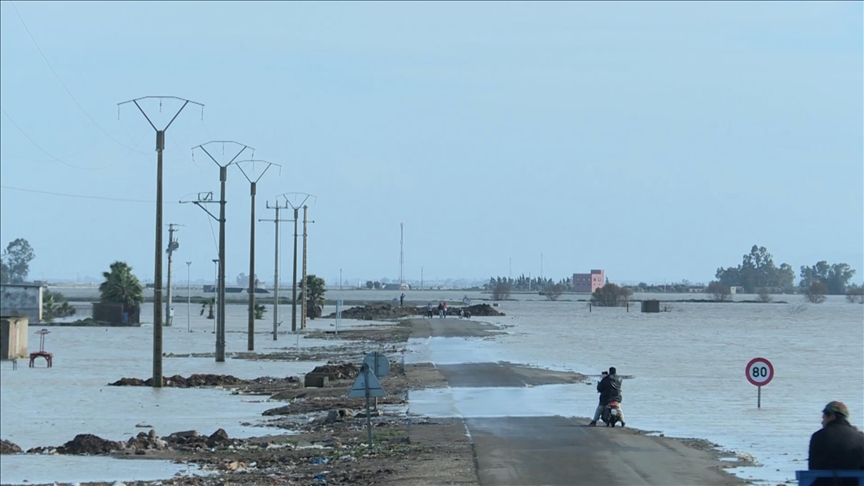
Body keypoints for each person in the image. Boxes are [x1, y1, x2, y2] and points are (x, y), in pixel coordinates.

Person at [808, 401, 864, 486]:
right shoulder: (860, 437)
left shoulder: (818, 436)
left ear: (832, 416)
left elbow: (812, 468)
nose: (822, 422)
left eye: (824, 418)